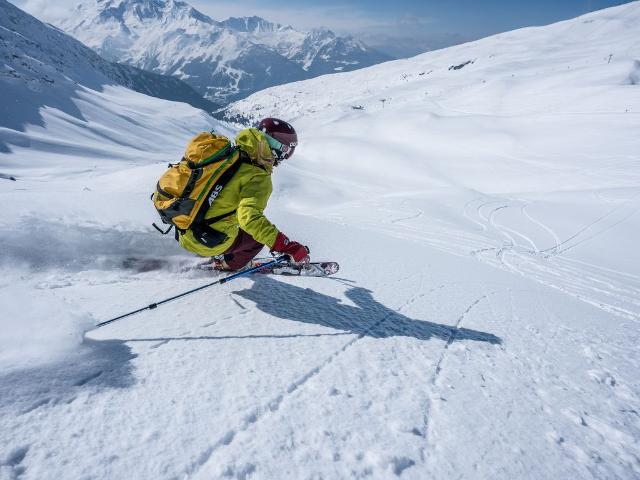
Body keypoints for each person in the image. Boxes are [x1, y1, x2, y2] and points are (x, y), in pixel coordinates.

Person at [177, 117, 309, 271]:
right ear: (277, 147)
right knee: (255, 241)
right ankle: (225, 265)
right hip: (206, 242)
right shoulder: (258, 176)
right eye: (287, 150)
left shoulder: (231, 155)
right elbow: (249, 219)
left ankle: (218, 252)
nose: (286, 156)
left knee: (234, 220)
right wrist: (286, 246)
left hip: (184, 228)